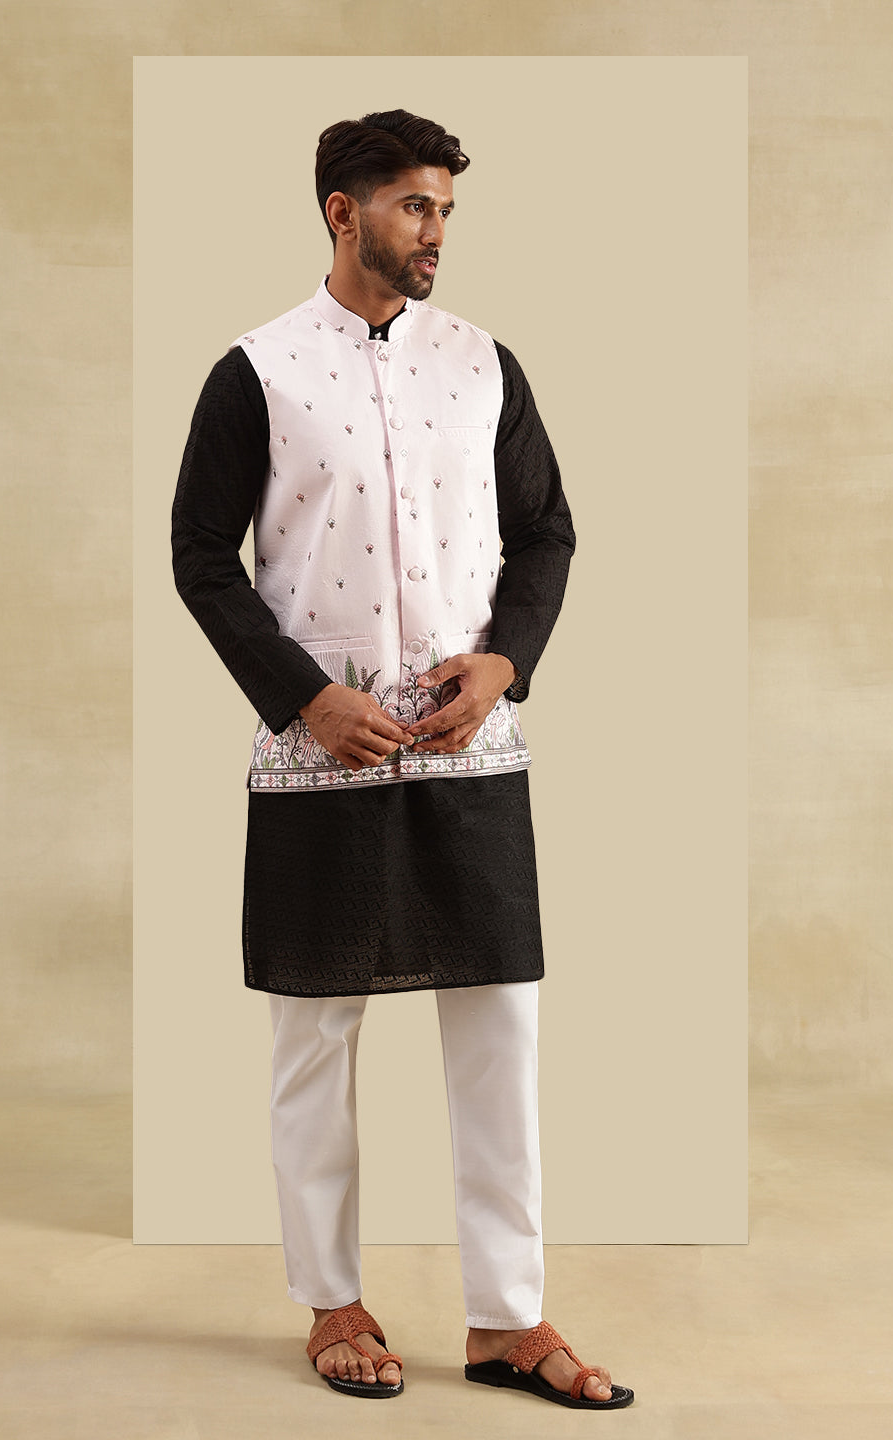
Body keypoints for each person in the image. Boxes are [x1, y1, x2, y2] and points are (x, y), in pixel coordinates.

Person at [171, 108, 633, 1410]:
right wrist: (303, 700)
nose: (435, 232)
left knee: (501, 1031)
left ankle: (508, 1320)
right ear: (343, 211)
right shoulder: (256, 373)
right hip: (321, 760)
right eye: (415, 206)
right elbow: (201, 556)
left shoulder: (485, 365)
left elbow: (547, 531)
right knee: (314, 1034)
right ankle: (332, 1303)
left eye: (445, 210)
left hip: (472, 756)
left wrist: (505, 663)